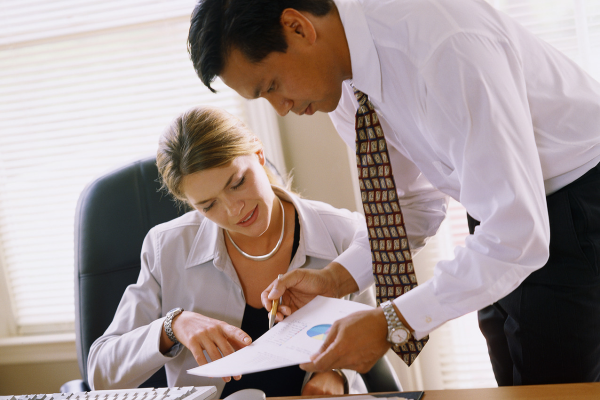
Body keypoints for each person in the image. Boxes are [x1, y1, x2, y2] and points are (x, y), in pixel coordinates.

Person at [187, 0, 600, 387]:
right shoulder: (342, 82)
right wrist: (336, 278)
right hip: (505, 216)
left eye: (272, 85)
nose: (282, 108)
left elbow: (517, 234)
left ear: (298, 28)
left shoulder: (441, 48)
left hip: (579, 204)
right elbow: (411, 203)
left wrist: (392, 321)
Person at [87, 106, 377, 397]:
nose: (233, 209)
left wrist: (336, 375)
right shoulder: (166, 248)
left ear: (259, 154)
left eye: (237, 183)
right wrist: (172, 326)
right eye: (208, 205)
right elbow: (101, 372)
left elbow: (374, 333)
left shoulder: (347, 236)